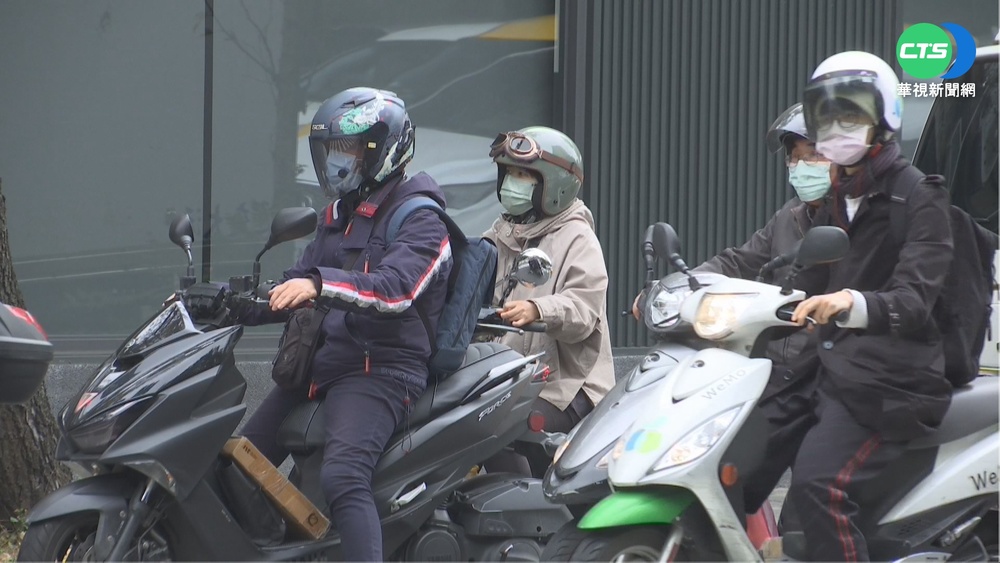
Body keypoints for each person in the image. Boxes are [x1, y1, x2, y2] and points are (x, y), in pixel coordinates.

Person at [236, 87, 453, 562]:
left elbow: (395, 289)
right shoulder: (341, 215)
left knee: (343, 477)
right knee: (240, 464)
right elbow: (298, 282)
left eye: (348, 149)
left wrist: (319, 284)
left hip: (382, 369)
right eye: (332, 150)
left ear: (383, 149)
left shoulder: (421, 218)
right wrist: (230, 303)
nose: (337, 161)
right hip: (324, 362)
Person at [783, 51, 954, 561]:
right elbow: (798, 275)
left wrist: (849, 301)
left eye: (851, 115)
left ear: (884, 120)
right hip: (829, 368)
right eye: (828, 117)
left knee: (817, 485)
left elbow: (913, 302)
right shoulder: (834, 196)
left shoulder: (919, 196)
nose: (837, 129)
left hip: (889, 378)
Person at [631, 102, 835, 513]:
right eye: (794, 157)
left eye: (811, 153)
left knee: (810, 508)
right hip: (774, 372)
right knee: (727, 475)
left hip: (826, 376)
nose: (800, 165)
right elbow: (738, 261)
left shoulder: (854, 221)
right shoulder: (788, 218)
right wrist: (674, 289)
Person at [483, 126, 615, 476]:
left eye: (523, 174)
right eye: (509, 173)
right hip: (510, 377)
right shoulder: (502, 233)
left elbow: (584, 309)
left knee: (496, 426)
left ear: (553, 185)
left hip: (568, 385)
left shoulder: (577, 237)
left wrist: (539, 309)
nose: (513, 182)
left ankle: (526, 512)